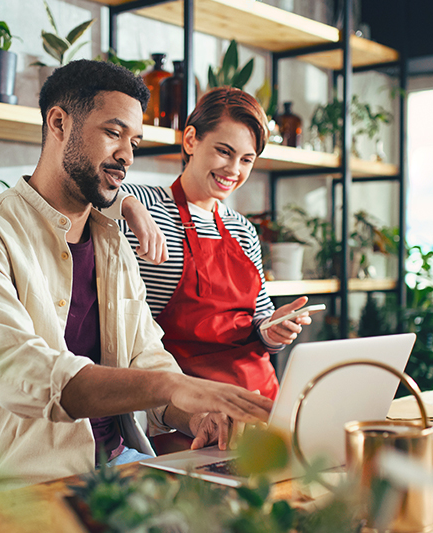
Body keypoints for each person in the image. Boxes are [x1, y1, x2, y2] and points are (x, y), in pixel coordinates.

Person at [0, 60, 273, 503]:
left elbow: (146, 357)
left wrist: (193, 416)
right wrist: (175, 386)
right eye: (114, 133)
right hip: (17, 492)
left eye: (134, 141)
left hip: (119, 469)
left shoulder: (112, 242)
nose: (127, 156)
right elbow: (22, 375)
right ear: (59, 123)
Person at [114, 87, 312, 402]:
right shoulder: (143, 204)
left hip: (259, 394)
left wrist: (274, 329)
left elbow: (258, 321)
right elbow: (83, 194)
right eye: (224, 151)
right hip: (184, 402)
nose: (233, 170)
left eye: (246, 159)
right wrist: (127, 204)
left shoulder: (243, 229)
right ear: (191, 139)